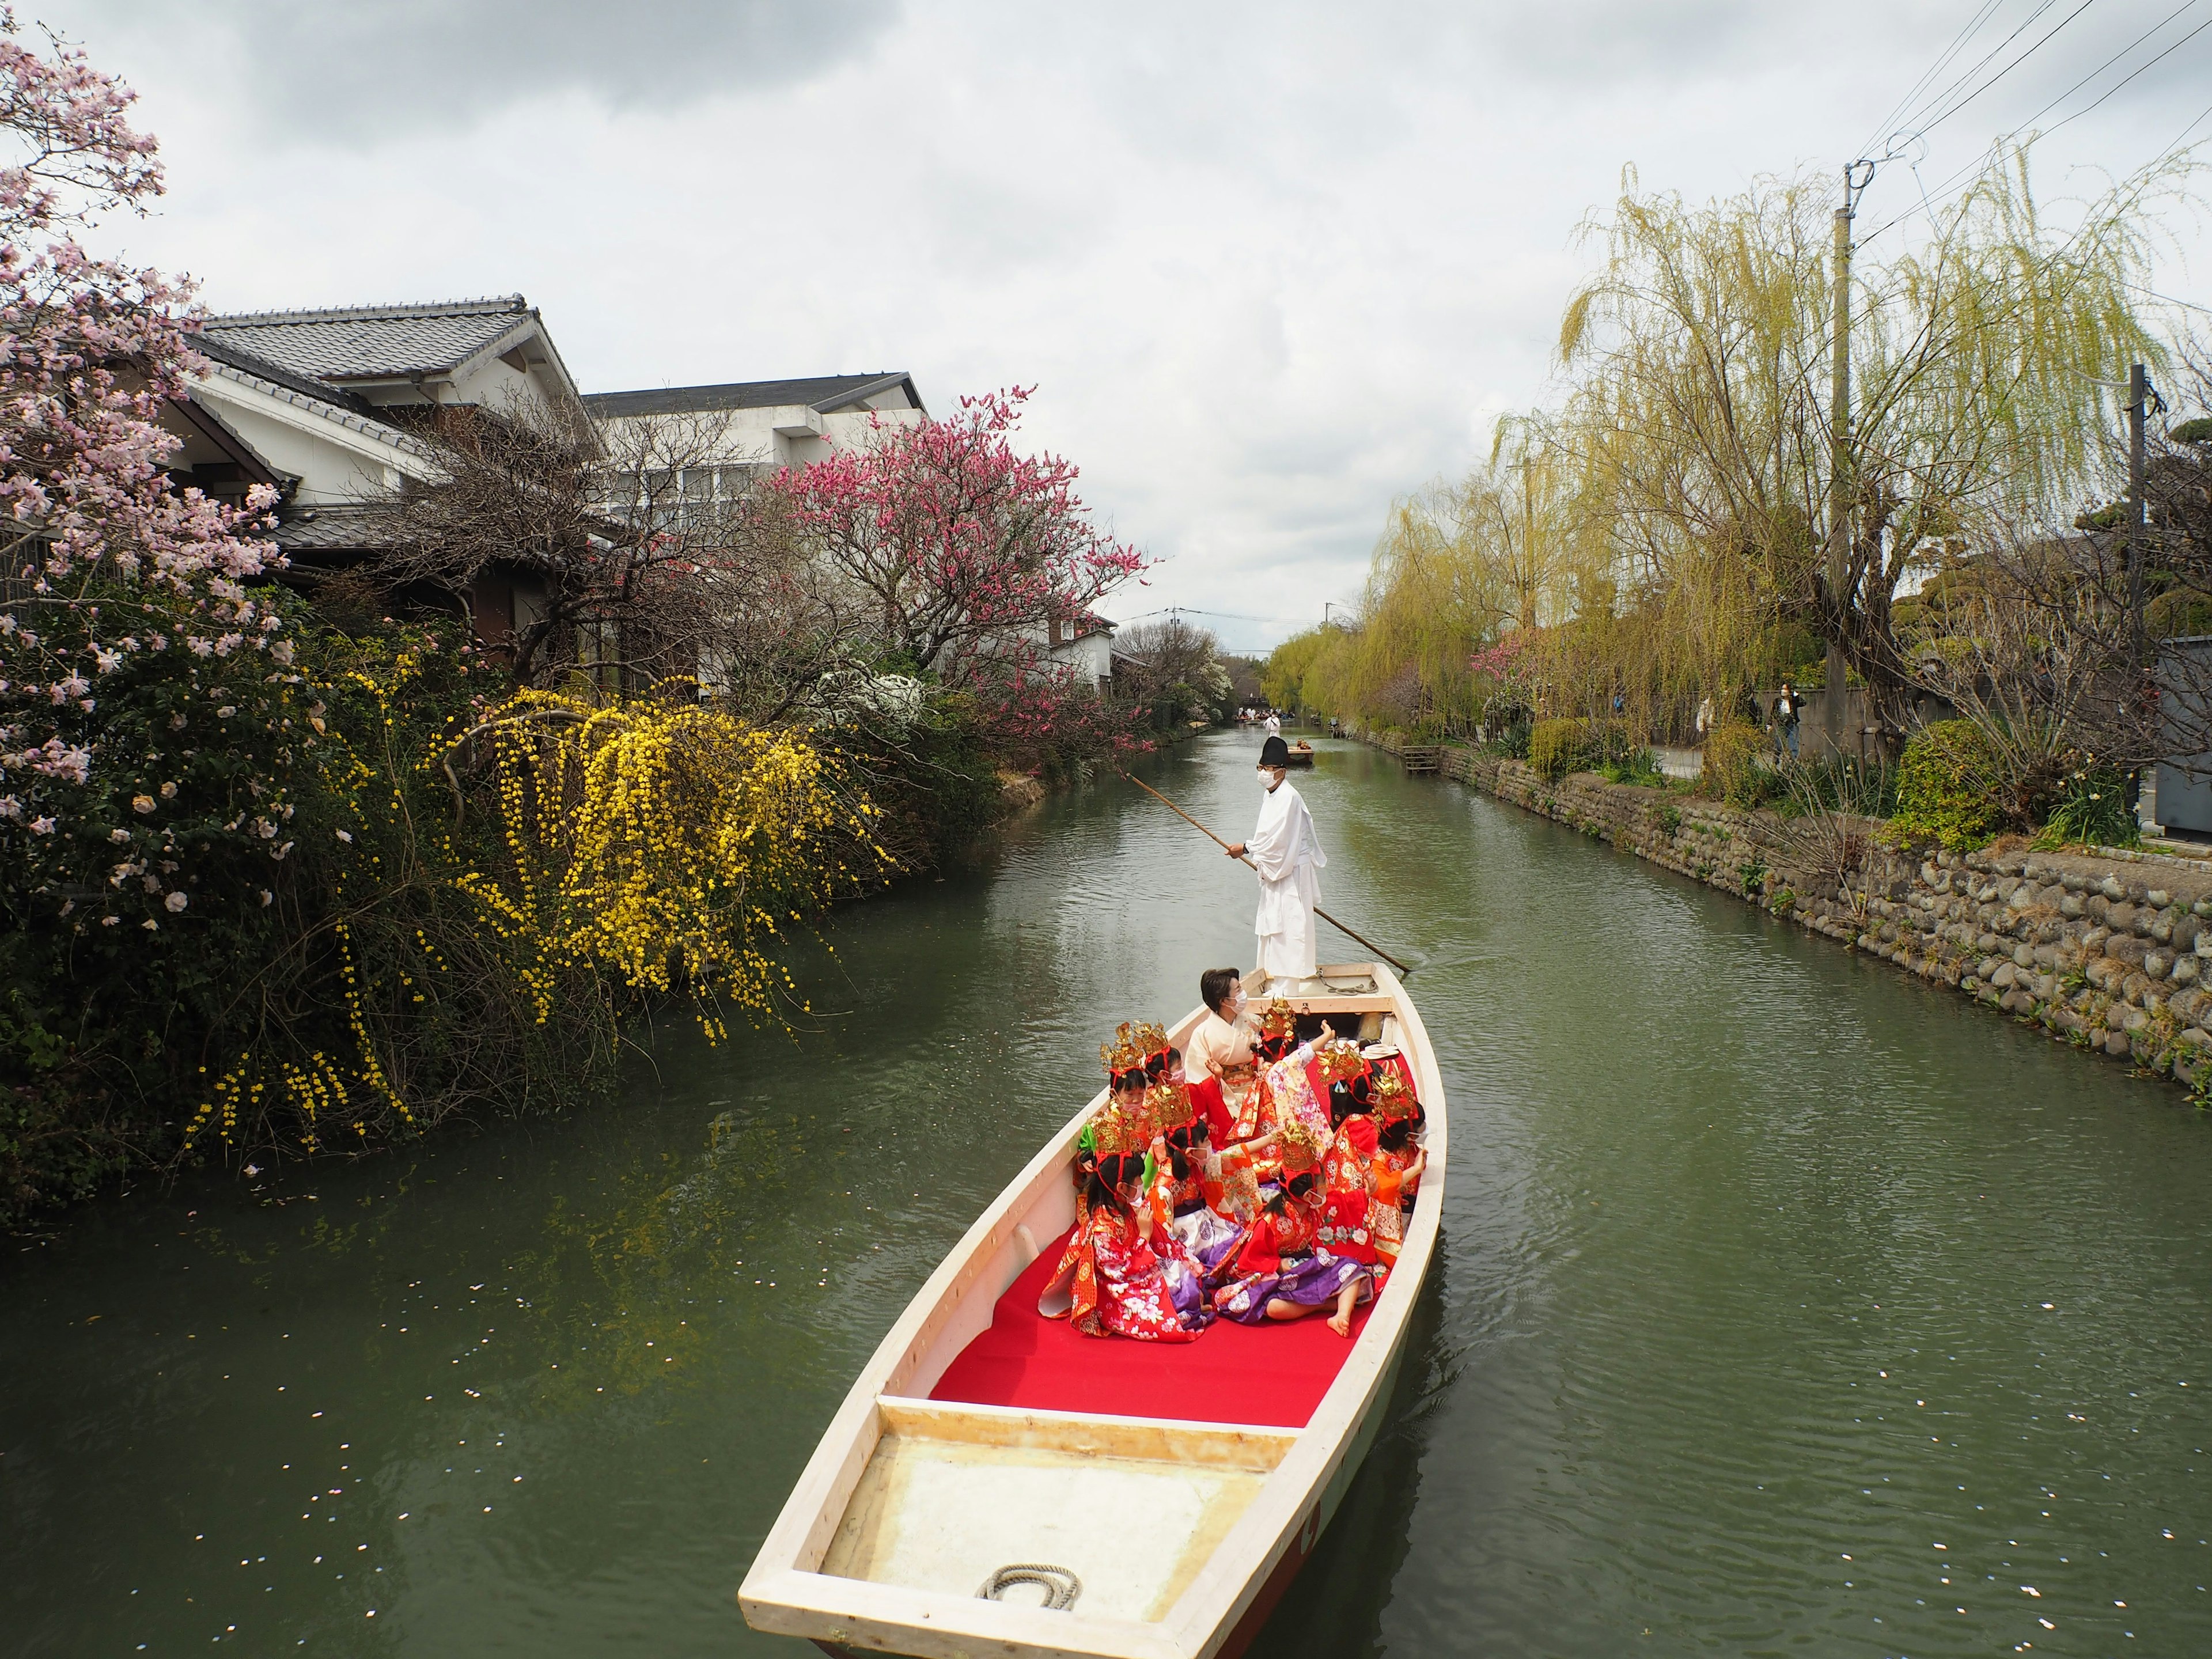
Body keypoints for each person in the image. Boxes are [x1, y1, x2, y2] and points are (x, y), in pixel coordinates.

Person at [1037, 1028, 1208, 1341]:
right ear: (1115, 1094)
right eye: (1130, 1095)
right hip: (1111, 1193)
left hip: (1136, 1188)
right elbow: (1087, 1166)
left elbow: (1159, 1150)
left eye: (1141, 1094)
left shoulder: (1151, 1116)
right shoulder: (1101, 1127)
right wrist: (1087, 1162)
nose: (1137, 1100)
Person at [1211, 1120, 1370, 1336]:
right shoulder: (1269, 1221)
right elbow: (1249, 1260)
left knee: (1353, 1268)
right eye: (1324, 1183)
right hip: (1281, 1275)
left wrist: (1367, 1193)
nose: (1327, 1188)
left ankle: (1341, 1314)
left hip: (1308, 1267)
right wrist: (1279, 1264)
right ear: (1308, 1195)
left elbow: (1340, 1202)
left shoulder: (1314, 1207)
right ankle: (1324, 1305)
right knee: (1272, 1306)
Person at [1225, 735, 1328, 990]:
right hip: (1278, 868)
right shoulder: (1270, 795)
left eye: (1269, 770)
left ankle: (1287, 989)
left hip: (1291, 871)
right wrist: (1253, 850)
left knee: (1289, 929)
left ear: (1282, 771)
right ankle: (1274, 983)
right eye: (1260, 768)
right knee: (1273, 927)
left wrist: (1247, 848)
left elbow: (1279, 841)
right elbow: (1267, 836)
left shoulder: (1289, 797)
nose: (1263, 774)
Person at [1774, 680, 1800, 760]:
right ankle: (1776, 760)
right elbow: (1773, 713)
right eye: (1782, 689)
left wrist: (1796, 696)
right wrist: (1769, 724)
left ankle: (1793, 762)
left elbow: (1803, 703)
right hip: (1781, 725)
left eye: (1785, 689)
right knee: (1779, 744)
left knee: (1793, 745)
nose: (1783, 691)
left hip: (1791, 724)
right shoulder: (1778, 701)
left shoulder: (1793, 702)